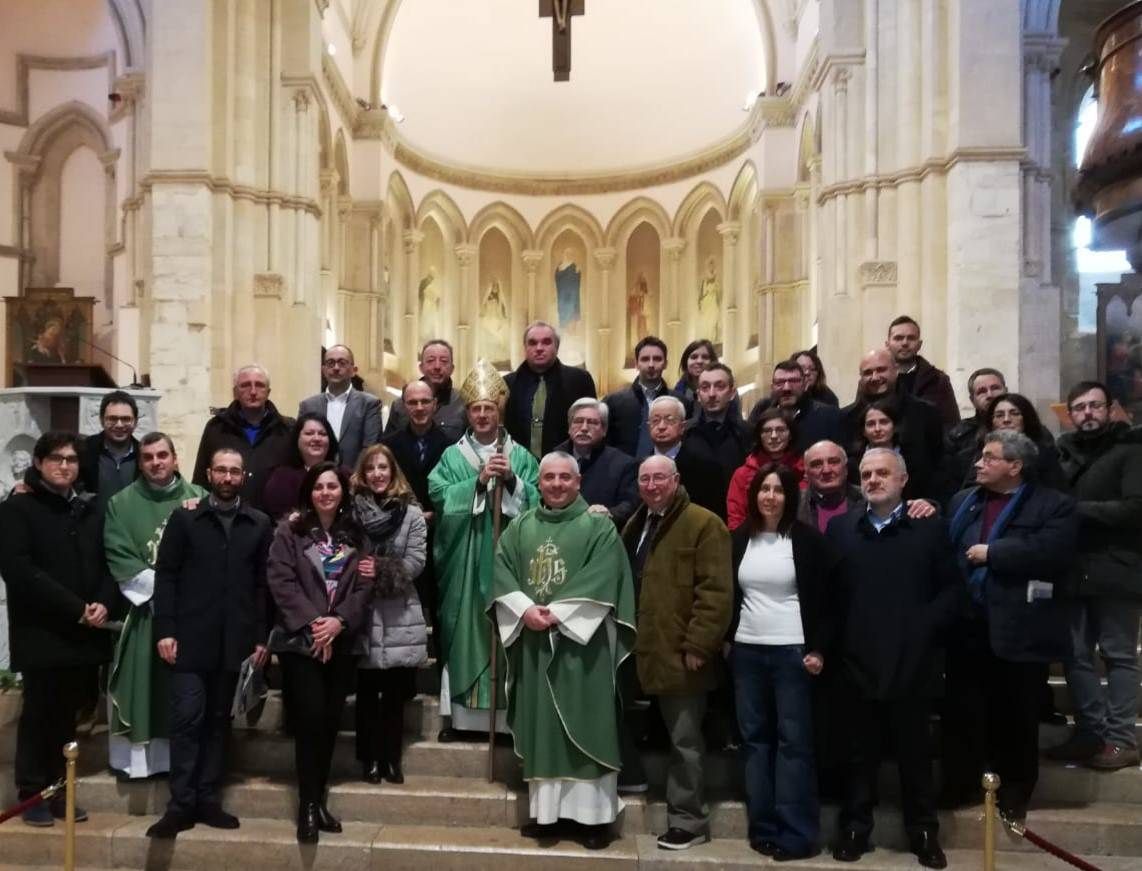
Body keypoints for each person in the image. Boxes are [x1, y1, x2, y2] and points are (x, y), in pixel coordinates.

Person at [492, 452, 636, 850]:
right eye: (549, 477)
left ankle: (593, 820)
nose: (556, 484)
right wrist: (525, 610)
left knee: (587, 726)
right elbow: (501, 571)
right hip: (535, 642)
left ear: (578, 482)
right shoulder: (519, 527)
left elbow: (605, 575)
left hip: (582, 644)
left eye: (564, 478)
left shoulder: (598, 527)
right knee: (545, 731)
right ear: (538, 482)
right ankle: (548, 816)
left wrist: (555, 613)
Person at [827, 449, 959, 869]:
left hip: (913, 661)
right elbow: (831, 596)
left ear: (903, 479)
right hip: (857, 660)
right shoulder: (844, 530)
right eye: (866, 473)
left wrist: (922, 627)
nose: (873, 480)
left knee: (914, 754)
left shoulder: (929, 527)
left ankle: (922, 832)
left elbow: (953, 590)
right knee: (858, 754)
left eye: (882, 473)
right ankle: (854, 829)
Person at [942, 431, 1077, 822]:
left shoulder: (1053, 505)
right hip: (967, 623)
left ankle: (1015, 791)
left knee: (1016, 715)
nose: (978, 463)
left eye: (989, 457)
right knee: (964, 712)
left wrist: (995, 553)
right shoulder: (964, 501)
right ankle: (963, 783)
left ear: (1015, 466)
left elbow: (1053, 550)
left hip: (1019, 626)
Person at [148, 448, 272, 839]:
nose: (228, 477)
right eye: (221, 470)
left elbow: (262, 586)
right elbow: (165, 576)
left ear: (243, 477)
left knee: (219, 722)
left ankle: (207, 799)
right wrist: (165, 629)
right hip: (188, 638)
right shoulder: (186, 518)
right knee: (187, 720)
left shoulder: (258, 523)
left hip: (235, 641)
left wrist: (259, 637)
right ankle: (180, 805)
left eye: (235, 471)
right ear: (209, 474)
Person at [0, 432, 117, 827]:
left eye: (71, 459)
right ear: (38, 463)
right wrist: (76, 609)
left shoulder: (84, 509)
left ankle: (58, 791)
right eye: (55, 459)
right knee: (38, 716)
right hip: (42, 631)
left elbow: (104, 563)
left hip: (82, 632)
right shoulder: (18, 509)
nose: (64, 465)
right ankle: (31, 793)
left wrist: (102, 602)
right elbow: (21, 572)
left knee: (68, 717)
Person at [729, 463, 841, 860]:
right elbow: (729, 596)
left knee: (794, 744)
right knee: (755, 742)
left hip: (793, 652)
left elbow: (830, 603)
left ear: (790, 496)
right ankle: (763, 828)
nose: (770, 496)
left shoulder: (808, 541)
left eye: (778, 489)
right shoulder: (739, 539)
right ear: (754, 494)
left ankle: (797, 834)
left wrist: (819, 649)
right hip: (747, 651)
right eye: (764, 489)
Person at [622, 454, 732, 850]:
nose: (651, 486)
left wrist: (699, 644)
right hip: (641, 649)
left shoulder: (704, 524)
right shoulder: (639, 522)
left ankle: (688, 821)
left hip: (681, 652)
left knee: (685, 742)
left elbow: (716, 592)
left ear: (677, 479)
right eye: (645, 479)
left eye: (659, 478)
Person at [428, 360, 539, 740]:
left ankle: (506, 722)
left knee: (507, 632)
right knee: (465, 632)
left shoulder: (520, 456)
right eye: (475, 409)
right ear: (468, 412)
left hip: (507, 558)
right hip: (465, 557)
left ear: (499, 411)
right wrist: (476, 483)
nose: (481, 415)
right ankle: (463, 720)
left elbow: (540, 499)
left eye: (488, 408)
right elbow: (440, 495)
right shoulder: (451, 456)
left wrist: (511, 482)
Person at [266, 462, 374, 843]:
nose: (326, 492)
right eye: (319, 487)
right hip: (302, 643)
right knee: (309, 719)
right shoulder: (289, 532)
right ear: (309, 492)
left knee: (329, 722)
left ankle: (319, 800)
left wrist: (338, 623)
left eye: (332, 486)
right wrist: (316, 624)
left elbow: (364, 587)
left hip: (341, 643)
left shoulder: (357, 536)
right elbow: (281, 581)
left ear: (343, 492)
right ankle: (306, 806)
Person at [1045, 381, 1142, 770]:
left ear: (1110, 409)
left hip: (1117, 568)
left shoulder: (1131, 451)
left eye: (1095, 406)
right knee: (1075, 656)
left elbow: (1135, 508)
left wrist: (1078, 511)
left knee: (1118, 655)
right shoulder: (1064, 454)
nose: (1087, 413)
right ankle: (1090, 732)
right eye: (1080, 407)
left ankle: (1121, 739)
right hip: (1073, 570)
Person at [104, 432, 206, 780]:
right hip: (145, 614)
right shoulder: (121, 503)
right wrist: (167, 594)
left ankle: (181, 763)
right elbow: (119, 554)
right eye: (148, 457)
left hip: (191, 617)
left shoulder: (199, 498)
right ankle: (140, 764)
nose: (156, 462)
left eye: (163, 455)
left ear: (176, 459)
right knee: (144, 687)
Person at [351, 444, 428, 785]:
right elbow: (343, 554)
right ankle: (369, 758)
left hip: (399, 612)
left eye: (384, 467)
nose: (378, 474)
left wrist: (379, 568)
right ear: (363, 473)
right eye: (372, 468)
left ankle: (391, 759)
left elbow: (416, 560)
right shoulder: (351, 510)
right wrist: (359, 570)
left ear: (393, 472)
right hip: (362, 611)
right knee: (367, 693)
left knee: (395, 696)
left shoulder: (411, 514)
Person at [381, 379, 452, 634]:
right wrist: (409, 514)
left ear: (435, 405)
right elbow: (381, 486)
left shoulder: (452, 445)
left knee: (438, 601)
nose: (419, 407)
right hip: (400, 533)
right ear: (403, 406)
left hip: (439, 533)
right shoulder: (388, 445)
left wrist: (436, 513)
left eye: (425, 402)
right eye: (412, 402)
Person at [191, 365, 295, 510]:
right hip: (224, 520)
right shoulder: (216, 428)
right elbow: (201, 479)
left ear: (268, 392)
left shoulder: (287, 429)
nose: (253, 391)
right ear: (235, 392)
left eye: (259, 385)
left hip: (274, 524)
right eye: (245, 385)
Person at [840, 349, 944, 478]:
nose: (875, 377)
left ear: (896, 370)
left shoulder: (925, 412)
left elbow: (940, 463)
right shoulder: (846, 417)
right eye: (868, 373)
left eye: (881, 370)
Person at [503, 322, 597, 458]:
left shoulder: (579, 380)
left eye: (546, 342)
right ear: (525, 348)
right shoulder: (507, 384)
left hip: (566, 465)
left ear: (557, 347)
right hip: (518, 468)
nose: (539, 348)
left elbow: (591, 426)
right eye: (533, 343)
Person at [555, 397, 639, 528]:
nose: (583, 428)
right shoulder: (554, 458)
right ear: (569, 428)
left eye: (592, 422)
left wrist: (609, 514)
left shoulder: (623, 464)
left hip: (602, 532)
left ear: (604, 430)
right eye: (578, 421)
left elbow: (630, 504)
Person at [298, 345, 381, 470]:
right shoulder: (308, 406)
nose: (336, 368)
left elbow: (370, 448)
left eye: (342, 363)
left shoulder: (369, 404)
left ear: (353, 370)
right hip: (316, 480)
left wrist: (354, 478)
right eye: (330, 363)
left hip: (356, 480)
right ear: (323, 370)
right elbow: (301, 446)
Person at [645, 395, 726, 521]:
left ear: (682, 427)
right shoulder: (639, 467)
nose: (661, 426)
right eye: (655, 420)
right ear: (649, 426)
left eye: (669, 420)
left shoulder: (705, 466)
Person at [847, 397, 940, 502]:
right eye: (871, 424)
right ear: (863, 431)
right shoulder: (852, 464)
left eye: (884, 422)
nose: (877, 429)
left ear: (895, 427)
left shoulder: (915, 459)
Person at [604, 336, 683, 458]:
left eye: (657, 359)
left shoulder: (681, 402)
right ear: (636, 364)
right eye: (645, 359)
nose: (651, 364)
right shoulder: (614, 402)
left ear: (666, 363)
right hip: (626, 472)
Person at [727, 408, 804, 531]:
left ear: (790, 434)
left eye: (780, 430)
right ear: (759, 436)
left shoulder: (803, 470)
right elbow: (736, 519)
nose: (773, 436)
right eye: (767, 431)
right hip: (754, 540)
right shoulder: (743, 474)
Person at [682, 363, 752, 497]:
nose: (712, 394)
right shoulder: (684, 433)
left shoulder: (747, 433)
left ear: (732, 393)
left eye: (719, 387)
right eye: (705, 387)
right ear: (698, 395)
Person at [748, 361, 842, 453]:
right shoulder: (761, 412)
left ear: (804, 385)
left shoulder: (828, 416)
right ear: (772, 387)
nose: (787, 388)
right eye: (780, 382)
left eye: (794, 381)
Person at [261, 413, 341, 520]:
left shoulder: (344, 474)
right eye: (309, 433)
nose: (317, 438)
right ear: (297, 439)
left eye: (322, 434)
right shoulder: (281, 478)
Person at [886, 316, 960, 428]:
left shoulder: (938, 380)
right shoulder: (876, 379)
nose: (905, 343)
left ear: (919, 344)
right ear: (888, 344)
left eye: (911, 338)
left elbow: (951, 423)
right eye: (898, 338)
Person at [384, 340, 467, 440]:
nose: (437, 366)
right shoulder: (400, 405)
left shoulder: (463, 404)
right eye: (430, 361)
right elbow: (388, 447)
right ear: (421, 368)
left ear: (452, 368)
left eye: (444, 361)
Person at [79, 390, 141, 511]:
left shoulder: (145, 455)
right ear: (102, 420)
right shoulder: (84, 449)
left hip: (130, 528)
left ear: (135, 422)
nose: (119, 424)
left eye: (126, 419)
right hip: (93, 528)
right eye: (112, 418)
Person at [945, 368, 1006, 460]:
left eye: (995, 388)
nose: (990, 395)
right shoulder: (958, 435)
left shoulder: (1022, 426)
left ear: (1006, 391)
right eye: (982, 391)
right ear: (972, 400)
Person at [674, 339, 742, 419]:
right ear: (686, 362)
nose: (699, 361)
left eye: (705, 357)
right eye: (694, 357)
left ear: (713, 361)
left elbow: (736, 419)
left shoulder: (727, 390)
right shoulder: (677, 392)